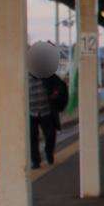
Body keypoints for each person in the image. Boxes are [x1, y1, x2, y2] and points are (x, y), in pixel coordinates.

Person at [27, 41, 68, 169]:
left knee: (50, 135)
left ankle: (49, 152)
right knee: (32, 138)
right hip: (30, 112)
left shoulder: (48, 74)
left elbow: (61, 87)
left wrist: (56, 95)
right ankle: (35, 161)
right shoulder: (23, 77)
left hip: (47, 111)